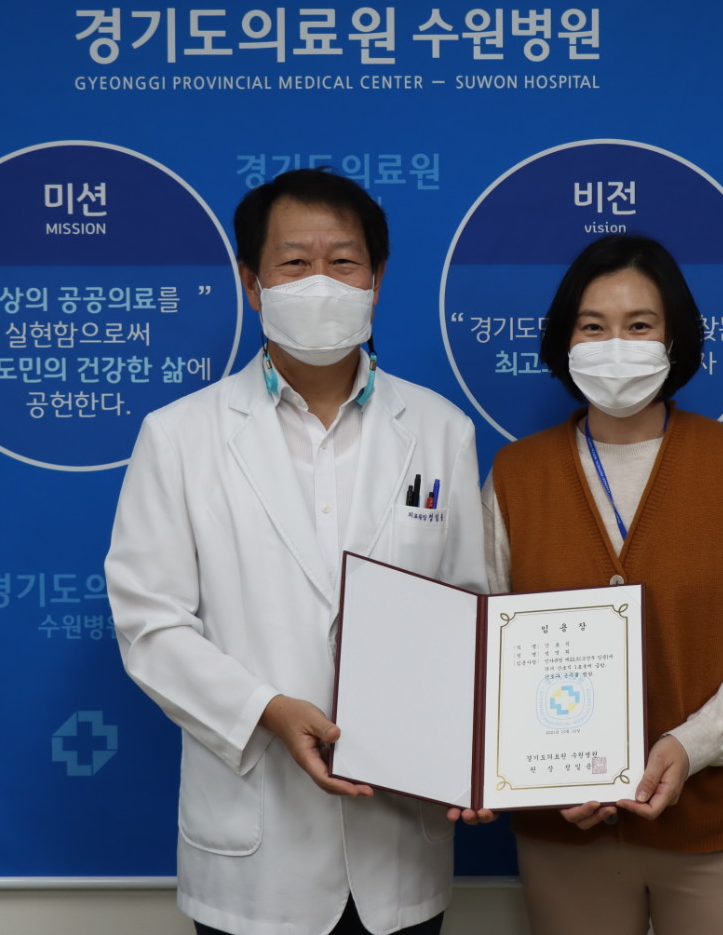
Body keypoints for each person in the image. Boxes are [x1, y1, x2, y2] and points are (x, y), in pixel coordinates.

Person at [105, 168, 486, 935]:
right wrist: (267, 711)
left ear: (377, 279)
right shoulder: (179, 436)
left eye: (343, 262)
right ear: (251, 283)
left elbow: (469, 611)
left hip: (399, 842)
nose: (321, 283)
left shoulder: (440, 430)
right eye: (294, 262)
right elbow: (150, 624)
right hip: (256, 850)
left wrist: (473, 752)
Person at [481, 234, 723, 935]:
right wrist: (546, 773)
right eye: (593, 326)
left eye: (639, 326)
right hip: (566, 833)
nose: (616, 346)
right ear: (565, 341)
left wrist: (690, 746)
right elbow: (485, 656)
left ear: (674, 341)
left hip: (718, 828)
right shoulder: (515, 477)